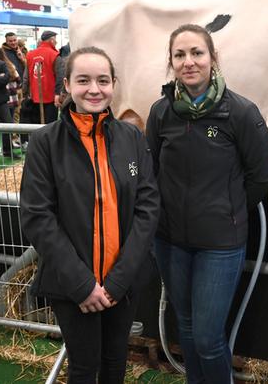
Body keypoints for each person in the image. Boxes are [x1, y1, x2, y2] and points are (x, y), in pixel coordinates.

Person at [20, 47, 159, 384]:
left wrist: (118, 280)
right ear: (66, 85)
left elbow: (148, 206)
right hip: (72, 286)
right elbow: (38, 216)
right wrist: (83, 285)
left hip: (121, 284)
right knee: (84, 367)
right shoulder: (44, 143)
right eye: (83, 80)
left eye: (102, 80)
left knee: (115, 362)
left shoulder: (131, 138)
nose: (94, 89)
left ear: (114, 84)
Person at [146, 24, 268, 383]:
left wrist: (228, 212)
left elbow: (261, 177)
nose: (189, 62)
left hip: (219, 245)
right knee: (186, 331)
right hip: (170, 240)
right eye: (180, 55)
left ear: (213, 58)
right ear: (171, 63)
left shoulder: (241, 114)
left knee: (207, 338)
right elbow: (147, 167)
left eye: (197, 53)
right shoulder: (161, 113)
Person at [24, 30, 63, 123]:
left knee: (36, 125)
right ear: (51, 40)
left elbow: (26, 77)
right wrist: (58, 94)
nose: (56, 42)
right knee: (50, 125)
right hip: (50, 96)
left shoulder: (30, 55)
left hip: (34, 96)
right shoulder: (55, 55)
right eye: (55, 40)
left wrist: (25, 92)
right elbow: (60, 76)